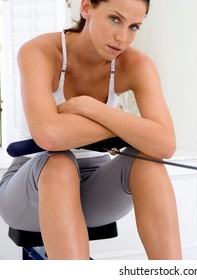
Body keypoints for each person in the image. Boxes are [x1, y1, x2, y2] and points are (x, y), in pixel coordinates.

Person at [0, 0, 182, 260]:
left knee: (149, 161)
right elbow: (49, 136)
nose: (123, 37)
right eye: (114, 19)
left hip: (96, 186)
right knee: (60, 162)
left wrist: (92, 108)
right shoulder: (39, 51)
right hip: (31, 193)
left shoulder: (136, 65)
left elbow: (165, 143)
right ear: (86, 8)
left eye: (134, 27)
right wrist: (126, 128)